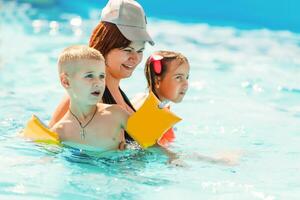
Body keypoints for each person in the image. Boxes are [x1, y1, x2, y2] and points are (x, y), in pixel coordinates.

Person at [48, 0, 154, 144]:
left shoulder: (117, 96)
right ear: (104, 46)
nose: (135, 58)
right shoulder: (86, 97)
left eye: (140, 51)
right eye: (127, 50)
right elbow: (48, 142)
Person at [51, 45, 129, 151]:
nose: (98, 83)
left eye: (102, 76)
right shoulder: (60, 132)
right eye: (89, 76)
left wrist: (131, 152)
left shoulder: (117, 115)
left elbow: (153, 147)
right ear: (66, 81)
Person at [132, 51, 190, 147]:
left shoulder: (145, 99)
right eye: (178, 77)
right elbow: (149, 148)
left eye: (187, 77)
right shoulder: (151, 112)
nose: (186, 84)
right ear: (157, 80)